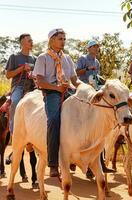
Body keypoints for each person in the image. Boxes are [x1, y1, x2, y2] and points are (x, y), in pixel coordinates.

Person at [33, 28, 82, 177]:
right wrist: (56, 88)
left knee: (86, 115)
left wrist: (86, 88)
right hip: (52, 92)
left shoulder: (67, 58)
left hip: (68, 90)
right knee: (54, 120)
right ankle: (53, 163)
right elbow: (40, 81)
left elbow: (75, 80)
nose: (63, 41)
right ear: (51, 40)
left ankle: (85, 157)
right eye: (60, 38)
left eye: (64, 39)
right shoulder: (43, 58)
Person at [76, 40, 114, 174]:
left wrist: (102, 80)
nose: (97, 48)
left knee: (99, 126)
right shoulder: (82, 59)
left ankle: (99, 163)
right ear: (89, 48)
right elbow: (76, 74)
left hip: (95, 91)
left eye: (98, 46)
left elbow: (96, 78)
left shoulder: (97, 62)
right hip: (83, 92)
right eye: (95, 46)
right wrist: (87, 69)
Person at [5, 34, 37, 185]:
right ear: (22, 43)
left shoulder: (35, 59)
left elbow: (37, 76)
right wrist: (21, 69)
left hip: (32, 87)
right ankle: (14, 133)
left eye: (31, 40)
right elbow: (8, 75)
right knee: (16, 102)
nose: (32, 41)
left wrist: (32, 74)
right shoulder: (14, 57)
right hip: (18, 87)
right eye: (29, 40)